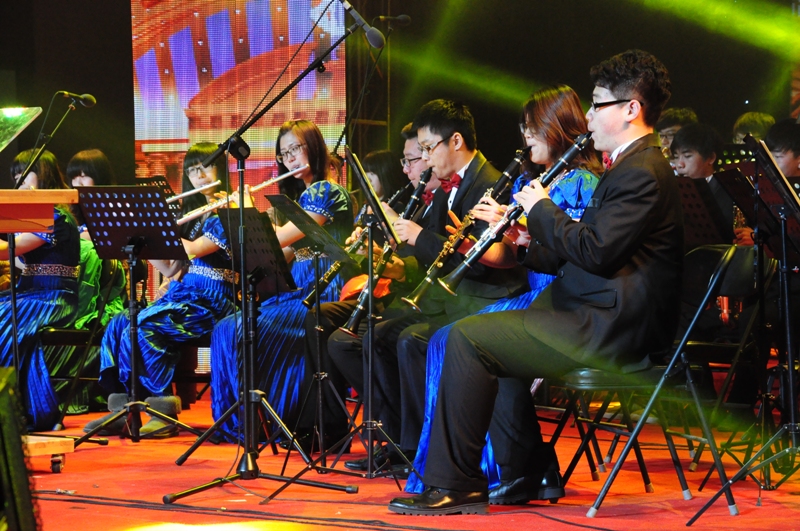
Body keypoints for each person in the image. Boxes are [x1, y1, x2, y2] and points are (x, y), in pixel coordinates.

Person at [388, 49, 681, 516]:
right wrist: (524, 240)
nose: (588, 116)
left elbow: (596, 251)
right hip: (586, 308)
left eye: (597, 104)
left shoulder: (642, 171)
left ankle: (455, 483)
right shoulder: (631, 165)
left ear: (631, 108)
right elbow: (586, 251)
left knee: (466, 339)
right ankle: (522, 471)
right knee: (478, 337)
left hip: (608, 324)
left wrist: (541, 207)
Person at [404, 85, 601, 500]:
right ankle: (512, 467)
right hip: (535, 294)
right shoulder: (538, 180)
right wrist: (479, 240)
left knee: (463, 339)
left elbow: (573, 253)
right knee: (451, 338)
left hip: (563, 300)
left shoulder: (581, 182)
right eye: (524, 128)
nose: (525, 136)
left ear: (558, 127)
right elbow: (511, 256)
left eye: (532, 128)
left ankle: (504, 468)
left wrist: (520, 228)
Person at [331, 99, 529, 474]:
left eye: (427, 148)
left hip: (482, 300)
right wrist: (393, 250)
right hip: (451, 300)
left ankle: (417, 448)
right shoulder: (445, 189)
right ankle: (400, 441)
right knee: (376, 338)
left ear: (455, 141)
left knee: (408, 340)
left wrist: (418, 236)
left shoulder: (491, 184)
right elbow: (433, 256)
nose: (424, 159)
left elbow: (479, 263)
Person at [297, 123, 441, 452]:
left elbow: (416, 265)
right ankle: (328, 427)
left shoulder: (433, 200)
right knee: (319, 317)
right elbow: (395, 263)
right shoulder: (414, 200)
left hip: (411, 300)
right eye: (405, 161)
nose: (407, 169)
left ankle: (392, 431)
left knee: (350, 341)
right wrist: (367, 253)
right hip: (393, 294)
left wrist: (387, 255)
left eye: (412, 160)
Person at [209, 120, 354, 439]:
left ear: (313, 147)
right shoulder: (302, 199)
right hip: (298, 289)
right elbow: (278, 255)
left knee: (239, 328)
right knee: (229, 326)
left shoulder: (327, 191)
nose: (289, 158)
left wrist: (246, 210)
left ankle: (269, 421)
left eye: (295, 149)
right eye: (284, 153)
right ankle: (254, 422)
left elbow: (278, 240)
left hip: (322, 290)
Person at [85, 142, 236, 437]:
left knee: (146, 325)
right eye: (192, 170)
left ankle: (161, 410)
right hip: (185, 296)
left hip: (214, 300)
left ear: (221, 170)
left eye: (206, 167)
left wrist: (154, 226)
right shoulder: (193, 218)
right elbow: (169, 269)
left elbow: (193, 250)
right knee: (120, 323)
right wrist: (140, 238)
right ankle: (123, 409)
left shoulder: (229, 212)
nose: (199, 175)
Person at [1, 150, 80, 430]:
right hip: (29, 294)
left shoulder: (55, 216)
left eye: (26, 175)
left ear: (44, 176)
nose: (19, 183)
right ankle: (21, 407)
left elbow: (8, 250)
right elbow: (17, 257)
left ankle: (14, 408)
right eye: (16, 177)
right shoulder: (32, 216)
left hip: (54, 298)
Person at [44, 149, 126, 414]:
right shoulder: (67, 211)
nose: (78, 182)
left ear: (99, 176)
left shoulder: (114, 209)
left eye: (85, 175)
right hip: (73, 282)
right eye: (74, 176)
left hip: (104, 289)